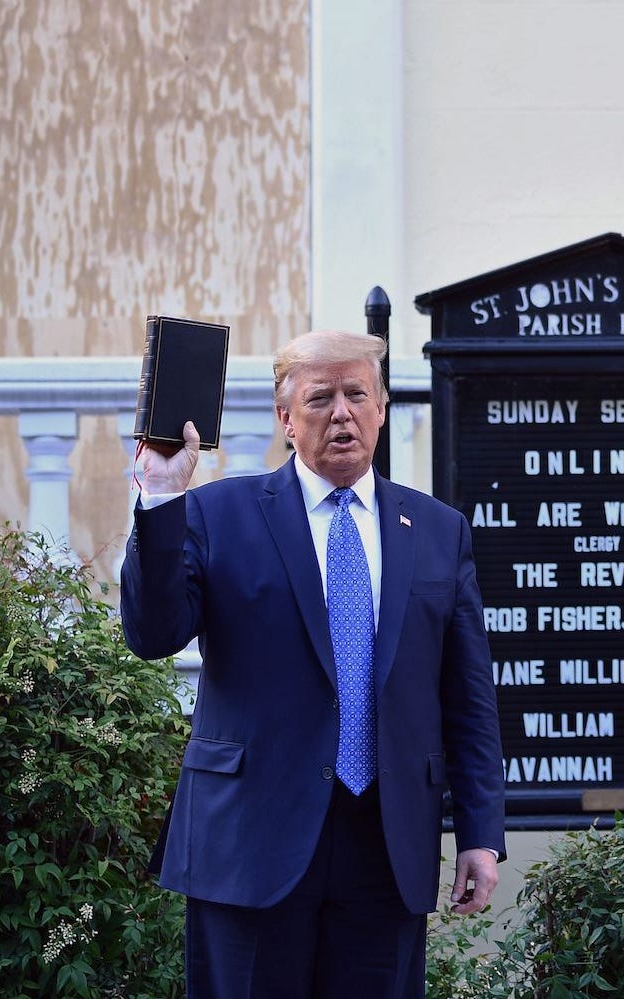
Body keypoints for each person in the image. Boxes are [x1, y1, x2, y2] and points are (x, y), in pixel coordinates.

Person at [121, 328, 504, 998]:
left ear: (381, 407)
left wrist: (479, 830)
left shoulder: (440, 531)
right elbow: (152, 633)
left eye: (357, 394)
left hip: (386, 846)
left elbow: (466, 696)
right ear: (285, 417)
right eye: (320, 397)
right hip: (250, 842)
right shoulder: (217, 513)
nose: (342, 412)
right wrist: (159, 497)